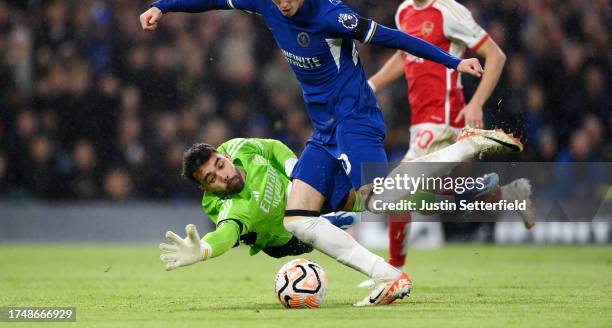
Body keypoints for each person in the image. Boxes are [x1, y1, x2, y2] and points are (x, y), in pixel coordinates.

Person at [142, 0, 494, 306]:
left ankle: (467, 145)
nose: (284, 3)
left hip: (355, 116)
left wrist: (453, 62)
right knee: (297, 218)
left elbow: (394, 37)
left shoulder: (332, 15)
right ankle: (389, 277)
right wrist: (162, 6)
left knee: (380, 200)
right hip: (325, 129)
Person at [160, 131, 524, 306]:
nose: (222, 176)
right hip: (286, 241)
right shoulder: (228, 207)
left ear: (222, 154)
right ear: (206, 189)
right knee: (377, 198)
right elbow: (226, 233)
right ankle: (475, 181)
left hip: (304, 198)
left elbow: (270, 147)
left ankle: (466, 157)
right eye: (211, 179)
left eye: (219, 166)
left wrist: (294, 169)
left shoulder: (238, 147)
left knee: (375, 197)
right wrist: (204, 250)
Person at [366, 0, 535, 275]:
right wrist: (371, 85)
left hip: (445, 119)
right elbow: (405, 55)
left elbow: (496, 55)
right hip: (422, 120)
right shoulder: (403, 12)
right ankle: (507, 193)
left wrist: (476, 103)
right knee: (448, 195)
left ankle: (391, 275)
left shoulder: (449, 12)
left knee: (393, 194)